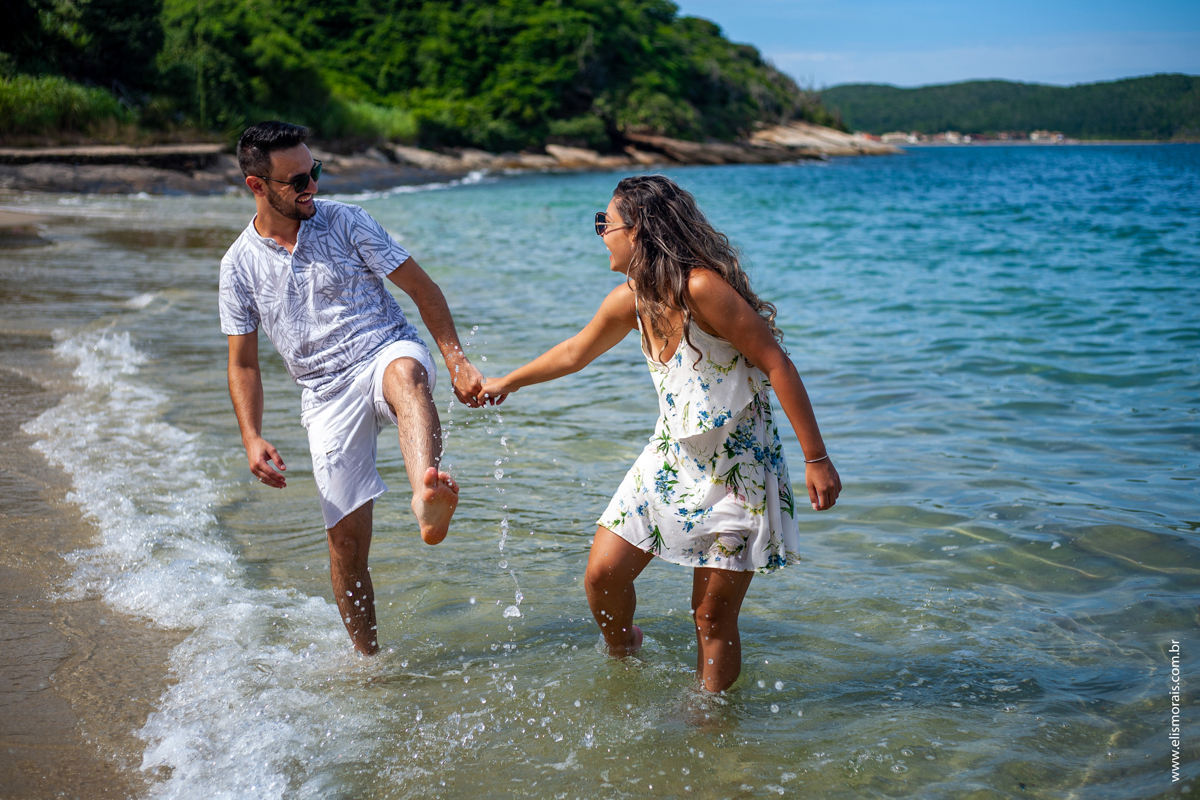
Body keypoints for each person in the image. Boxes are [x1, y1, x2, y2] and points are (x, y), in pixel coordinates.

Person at [476, 175, 841, 692]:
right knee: (602, 576)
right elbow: (575, 352)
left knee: (711, 619)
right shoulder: (632, 300)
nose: (601, 232)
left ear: (640, 230)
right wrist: (506, 382)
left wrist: (816, 457)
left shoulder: (701, 288)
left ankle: (710, 728)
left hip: (738, 466)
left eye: (607, 223)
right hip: (670, 459)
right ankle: (625, 650)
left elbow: (775, 362)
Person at [219, 121, 484, 655]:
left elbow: (421, 287)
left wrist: (456, 362)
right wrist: (251, 435)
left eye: (313, 171)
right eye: (296, 180)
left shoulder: (347, 221)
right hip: (323, 394)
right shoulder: (238, 266)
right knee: (345, 546)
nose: (311, 185)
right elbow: (243, 362)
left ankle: (425, 494)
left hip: (384, 348)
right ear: (257, 186)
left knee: (405, 375)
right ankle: (370, 661)